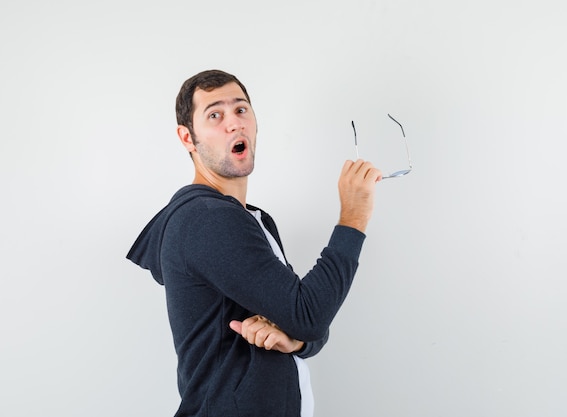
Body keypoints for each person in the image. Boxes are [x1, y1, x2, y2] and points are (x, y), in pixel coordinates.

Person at [126, 69, 381, 417]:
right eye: (214, 115)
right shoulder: (207, 219)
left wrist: (298, 340)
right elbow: (309, 314)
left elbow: (305, 319)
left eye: (241, 110)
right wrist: (354, 216)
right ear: (188, 138)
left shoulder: (252, 220)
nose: (234, 123)